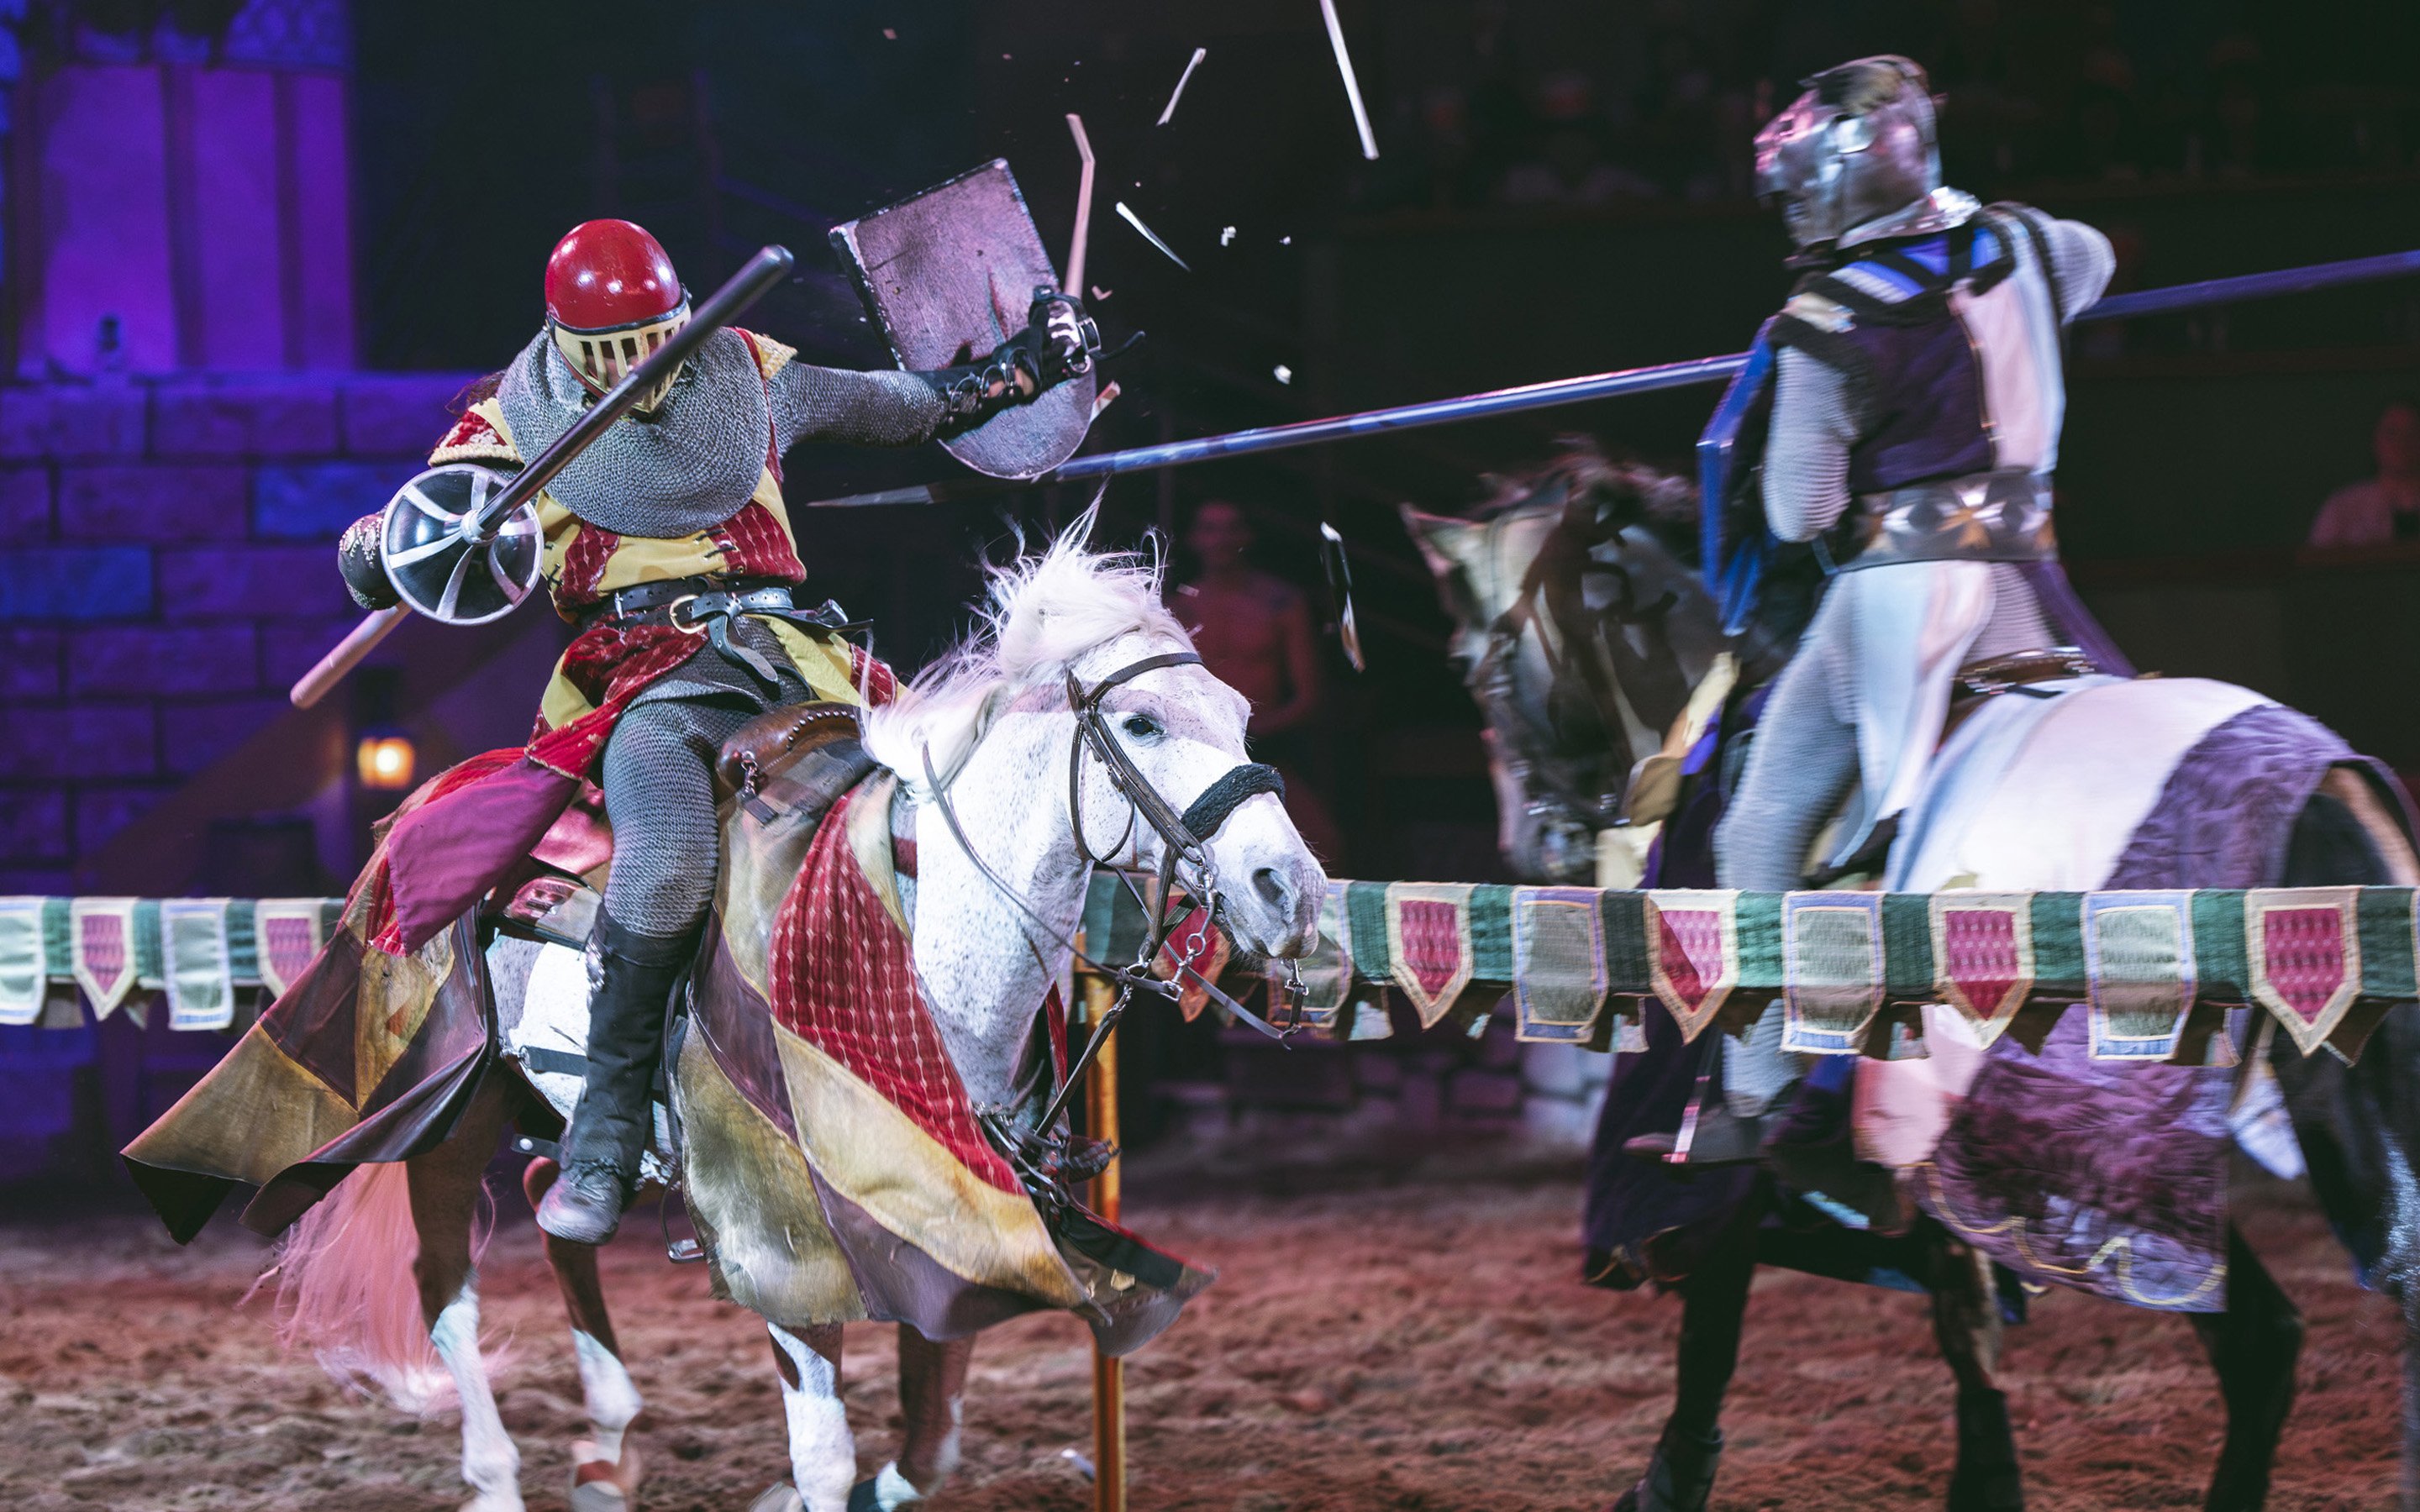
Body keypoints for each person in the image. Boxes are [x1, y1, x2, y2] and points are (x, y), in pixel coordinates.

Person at [337, 220, 1092, 1243]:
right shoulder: (506, 422)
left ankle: (995, 1112)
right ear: (570, 344)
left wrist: (1022, 370)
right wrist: (381, 550)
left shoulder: (752, 371)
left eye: (659, 337)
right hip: (649, 679)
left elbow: (896, 403)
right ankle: (605, 1142)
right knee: (668, 862)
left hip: (799, 665)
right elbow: (414, 526)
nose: (644, 364)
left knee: (952, 818)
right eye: (620, 348)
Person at [1647, 55, 2126, 1166]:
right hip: (2030, 572)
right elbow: (2098, 262)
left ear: (1829, 181)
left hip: (1902, 590)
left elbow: (1802, 509)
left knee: (1761, 815)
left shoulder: (1826, 311)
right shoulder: (2027, 240)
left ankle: (1756, 1094)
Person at [1169, 501, 1342, 860]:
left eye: (1231, 528)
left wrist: (1251, 734)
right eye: (1209, 529)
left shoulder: (1280, 601)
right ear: (1193, 539)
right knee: (1189, 851)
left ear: (1247, 536)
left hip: (1268, 747)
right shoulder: (1178, 607)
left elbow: (1309, 696)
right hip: (1195, 748)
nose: (1220, 539)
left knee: (1324, 846)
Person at [2307, 399, 2420, 549]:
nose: (2401, 442)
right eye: (2391, 433)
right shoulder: (2343, 507)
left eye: (2411, 433)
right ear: (2375, 440)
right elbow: (2315, 563)